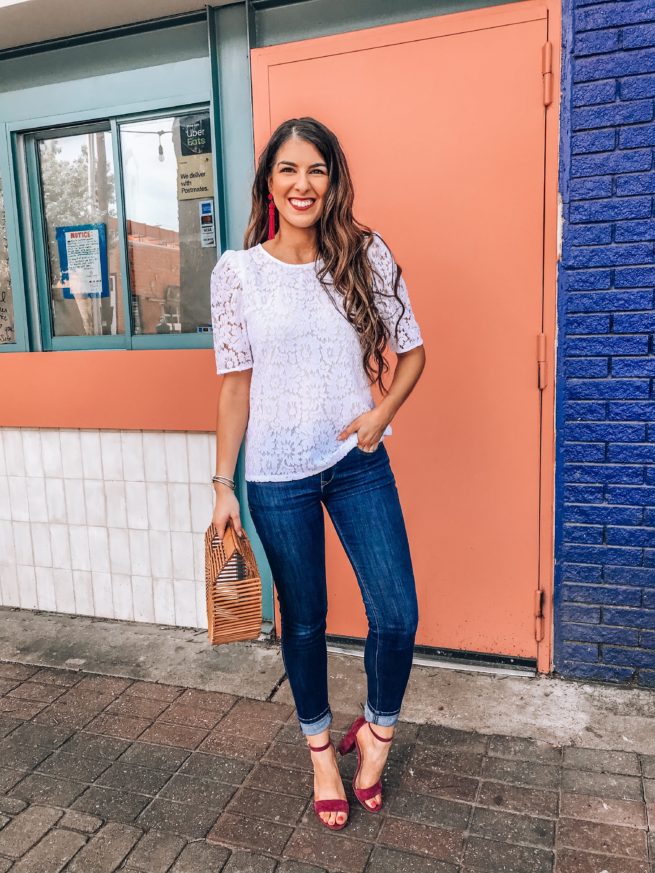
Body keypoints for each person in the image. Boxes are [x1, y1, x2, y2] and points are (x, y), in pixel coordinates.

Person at [210, 116, 426, 830]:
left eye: (317, 170)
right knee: (303, 622)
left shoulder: (364, 254)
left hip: (357, 462)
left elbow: (414, 351)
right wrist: (222, 486)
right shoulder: (236, 273)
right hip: (275, 475)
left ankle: (374, 732)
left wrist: (379, 412)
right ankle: (319, 756)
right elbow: (235, 386)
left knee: (395, 615)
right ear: (269, 182)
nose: (302, 183)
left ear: (332, 180)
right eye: (288, 169)